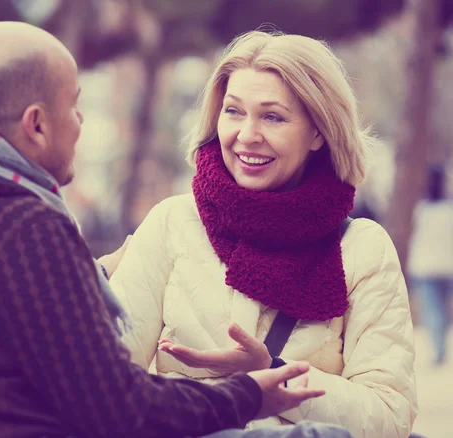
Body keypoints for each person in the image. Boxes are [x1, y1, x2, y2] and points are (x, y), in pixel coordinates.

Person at [0, 21, 354, 438]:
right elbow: (119, 410)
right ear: (37, 124)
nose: (81, 119)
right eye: (73, 104)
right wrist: (247, 395)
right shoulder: (23, 227)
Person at [110, 31, 418, 437]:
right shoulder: (172, 222)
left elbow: (390, 417)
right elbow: (108, 384)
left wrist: (271, 376)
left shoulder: (363, 248)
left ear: (318, 132)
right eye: (234, 111)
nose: (247, 135)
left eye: (272, 117)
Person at [408, 165, 453, 366]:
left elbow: (417, 239)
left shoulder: (422, 209)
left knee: (433, 310)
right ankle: (440, 347)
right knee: (440, 309)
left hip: (425, 267)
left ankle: (439, 350)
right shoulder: (448, 210)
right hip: (446, 266)